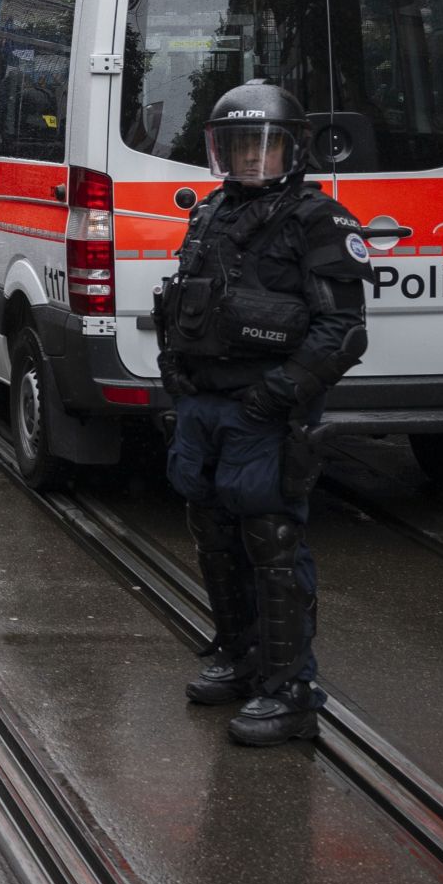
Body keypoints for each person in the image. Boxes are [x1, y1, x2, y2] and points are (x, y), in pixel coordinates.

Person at [154, 82, 375, 747]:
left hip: (268, 409)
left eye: (264, 146)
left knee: (272, 544)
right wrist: (177, 373)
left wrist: (279, 391)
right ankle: (240, 655)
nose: (252, 160)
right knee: (213, 534)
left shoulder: (318, 220)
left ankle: (291, 690)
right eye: (239, 147)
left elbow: (343, 330)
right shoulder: (212, 211)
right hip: (206, 403)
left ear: (293, 150)